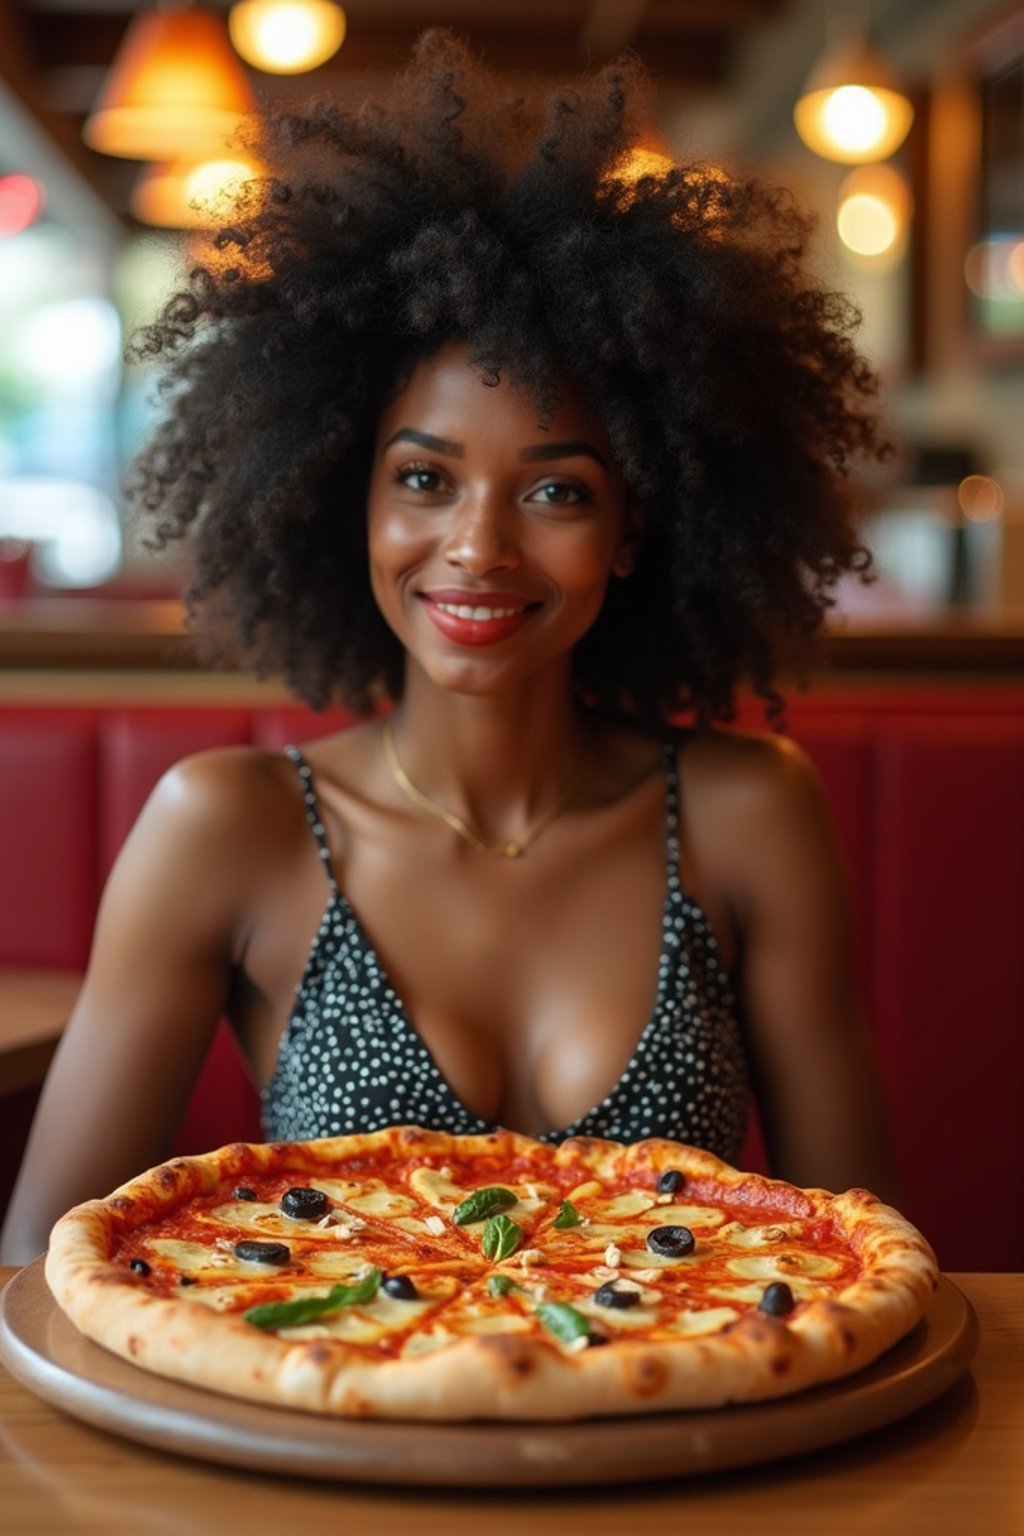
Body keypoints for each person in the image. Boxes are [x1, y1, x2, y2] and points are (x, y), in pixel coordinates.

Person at [1, 33, 898, 1264]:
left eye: (558, 493)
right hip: (324, 1418)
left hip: (686, 1429)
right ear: (343, 497)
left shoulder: (750, 813)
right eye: (424, 478)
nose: (476, 547)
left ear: (636, 526)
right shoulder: (227, 825)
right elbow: (46, 1269)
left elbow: (857, 1259)